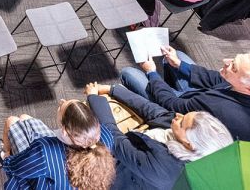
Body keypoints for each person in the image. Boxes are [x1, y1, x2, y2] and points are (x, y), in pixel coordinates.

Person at [119, 46, 250, 144]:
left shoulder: (218, 108)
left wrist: (152, 73)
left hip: (184, 113)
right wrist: (179, 65)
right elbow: (217, 78)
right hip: (200, 99)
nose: (226, 61)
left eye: (234, 67)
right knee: (175, 58)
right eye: (234, 59)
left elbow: (172, 104)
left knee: (129, 74)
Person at [85, 81, 233, 190]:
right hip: (137, 142)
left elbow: (116, 141)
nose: (178, 115)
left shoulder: (164, 169)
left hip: (118, 174)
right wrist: (113, 89)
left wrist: (94, 97)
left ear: (189, 144)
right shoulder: (190, 139)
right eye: (185, 115)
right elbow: (154, 111)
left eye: (182, 122)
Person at [0, 100, 116, 190]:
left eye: (60, 107)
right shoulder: (105, 135)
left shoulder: (45, 151)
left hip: (39, 181)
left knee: (11, 121)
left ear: (64, 131)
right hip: (62, 177)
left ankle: (6, 153)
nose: (61, 101)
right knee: (24, 118)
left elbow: (16, 167)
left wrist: (8, 160)